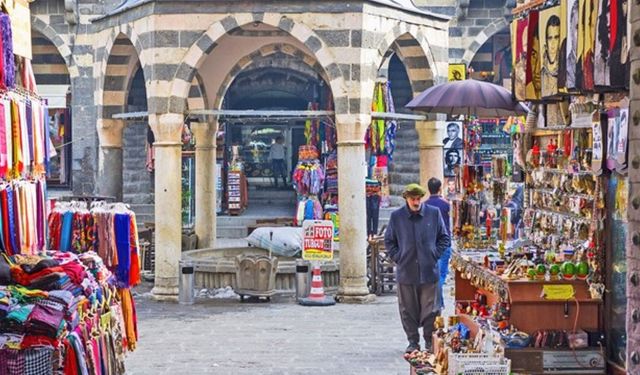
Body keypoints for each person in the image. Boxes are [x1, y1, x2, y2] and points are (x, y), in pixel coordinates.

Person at [384, 183, 450, 353]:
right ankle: (413, 341)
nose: (416, 202)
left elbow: (444, 238)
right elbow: (389, 241)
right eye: (413, 199)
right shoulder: (397, 217)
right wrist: (398, 257)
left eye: (418, 198)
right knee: (407, 309)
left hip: (429, 271)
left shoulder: (433, 214)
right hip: (407, 271)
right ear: (406, 199)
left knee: (432, 310)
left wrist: (434, 254)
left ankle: (429, 341)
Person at [424, 178, 451, 312]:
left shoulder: (424, 205)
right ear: (440, 188)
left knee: (434, 274)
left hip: (430, 244)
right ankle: (438, 303)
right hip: (444, 243)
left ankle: (434, 302)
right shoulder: (446, 204)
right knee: (440, 275)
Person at [541, 15, 560, 98]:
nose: (552, 44)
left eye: (556, 38)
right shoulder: (541, 76)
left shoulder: (565, 72)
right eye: (550, 38)